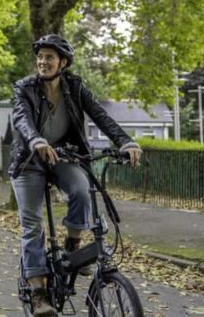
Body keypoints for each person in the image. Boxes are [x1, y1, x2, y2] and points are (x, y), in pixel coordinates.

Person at [9, 34, 142, 317]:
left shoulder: (75, 87)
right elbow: (21, 118)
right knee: (32, 224)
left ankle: (73, 247)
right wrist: (36, 140)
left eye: (49, 57)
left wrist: (125, 141)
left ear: (63, 63)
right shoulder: (24, 87)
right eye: (40, 57)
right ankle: (39, 293)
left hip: (62, 156)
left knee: (83, 190)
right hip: (28, 161)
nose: (43, 62)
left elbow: (101, 116)